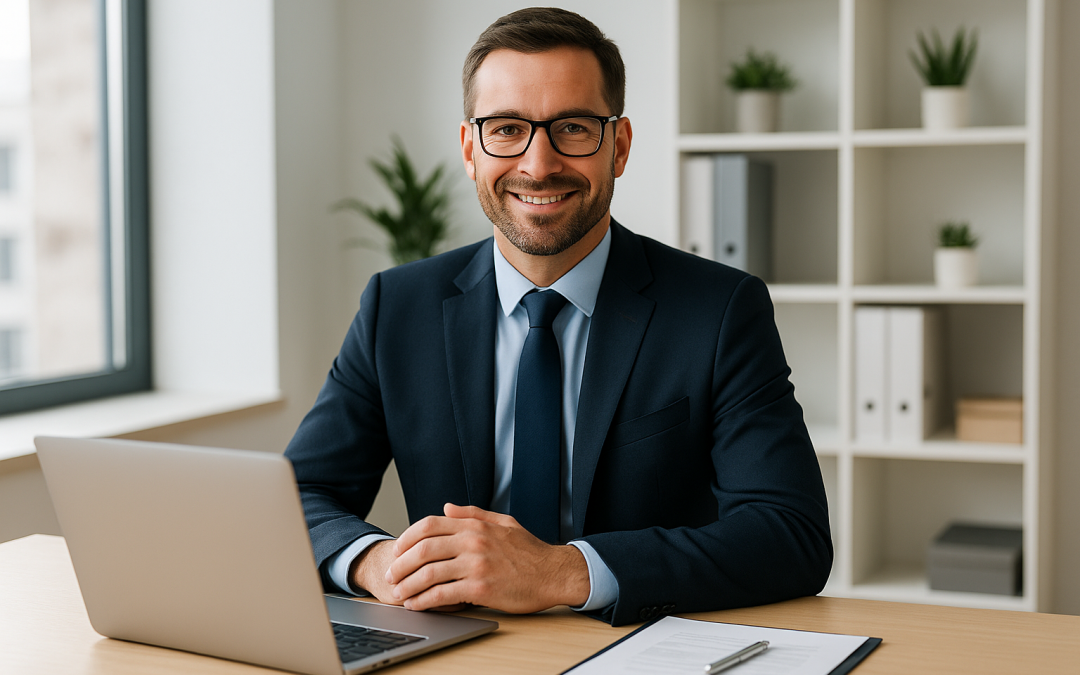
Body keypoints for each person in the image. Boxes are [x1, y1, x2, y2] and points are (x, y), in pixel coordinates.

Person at [284, 7, 831, 627]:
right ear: (470, 149)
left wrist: (560, 572)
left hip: (636, 646)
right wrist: (376, 562)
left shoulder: (720, 309)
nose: (538, 165)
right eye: (506, 129)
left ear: (618, 147)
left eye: (572, 127)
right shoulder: (397, 306)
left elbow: (790, 532)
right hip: (457, 647)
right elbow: (298, 495)